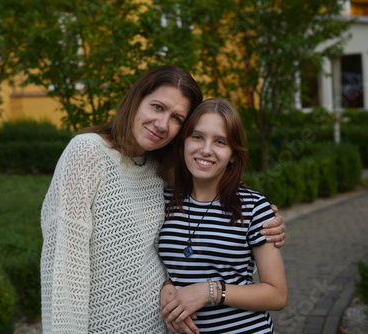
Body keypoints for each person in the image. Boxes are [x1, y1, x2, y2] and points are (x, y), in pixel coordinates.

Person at [40, 66, 286, 333]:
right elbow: (63, 268)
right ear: (136, 99)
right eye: (157, 107)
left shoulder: (157, 175)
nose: (162, 124)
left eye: (177, 117)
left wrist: (171, 285)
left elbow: (156, 257)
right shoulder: (87, 151)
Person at [158, 98, 287, 334]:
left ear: (233, 154)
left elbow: (277, 294)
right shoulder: (163, 201)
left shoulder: (253, 207)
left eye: (220, 141)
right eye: (197, 137)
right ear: (183, 142)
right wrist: (164, 286)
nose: (206, 149)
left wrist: (211, 291)